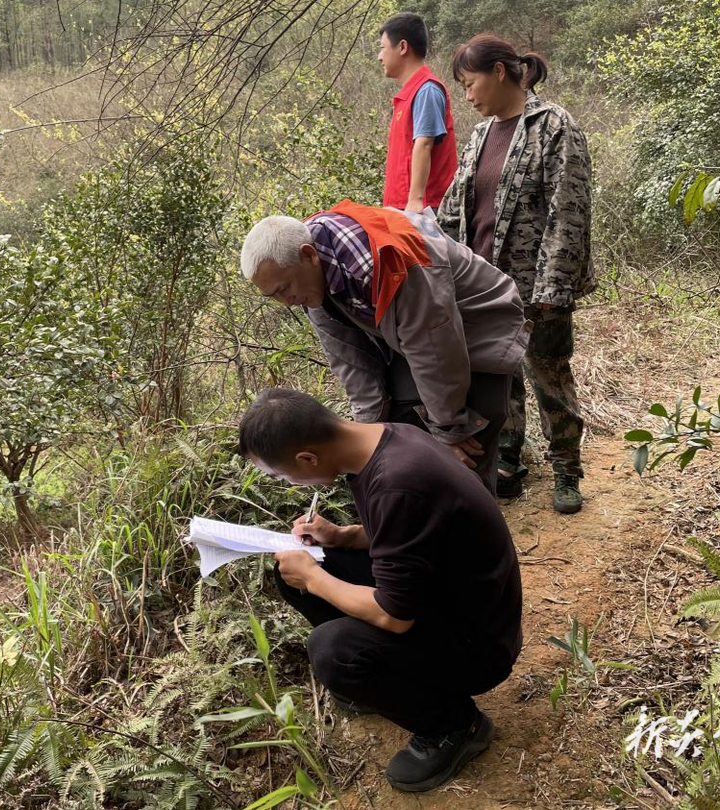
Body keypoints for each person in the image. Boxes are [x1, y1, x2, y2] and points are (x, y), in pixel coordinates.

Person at [238, 388, 523, 793]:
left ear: (307, 457)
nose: (288, 483)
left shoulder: (397, 484)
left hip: (478, 642)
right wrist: (342, 536)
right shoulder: (389, 439)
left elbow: (394, 615)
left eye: (282, 475)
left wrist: (316, 579)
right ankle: (389, 680)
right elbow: (408, 536)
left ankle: (456, 726)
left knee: (333, 649)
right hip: (448, 596)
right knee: (296, 572)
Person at [240, 200, 529, 495]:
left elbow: (436, 350)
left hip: (478, 328)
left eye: (283, 289)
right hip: (416, 340)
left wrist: (450, 432)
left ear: (309, 255)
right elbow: (351, 363)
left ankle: (476, 525)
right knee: (405, 442)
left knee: (463, 461)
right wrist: (369, 438)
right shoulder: (307, 280)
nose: (285, 301)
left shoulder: (388, 261)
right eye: (272, 296)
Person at [438, 35, 596, 514]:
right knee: (499, 375)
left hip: (539, 282)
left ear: (501, 73)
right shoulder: (481, 135)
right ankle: (508, 460)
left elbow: (569, 212)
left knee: (549, 373)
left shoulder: (554, 126)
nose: (468, 96)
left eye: (470, 83)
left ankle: (567, 468)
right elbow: (454, 210)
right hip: (486, 283)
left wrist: (554, 285)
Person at [378, 12, 457, 213]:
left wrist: (415, 201)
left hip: (423, 210)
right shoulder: (408, 94)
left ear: (403, 47)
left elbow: (424, 143)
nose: (380, 57)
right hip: (401, 209)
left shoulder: (426, 90)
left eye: (382, 48)